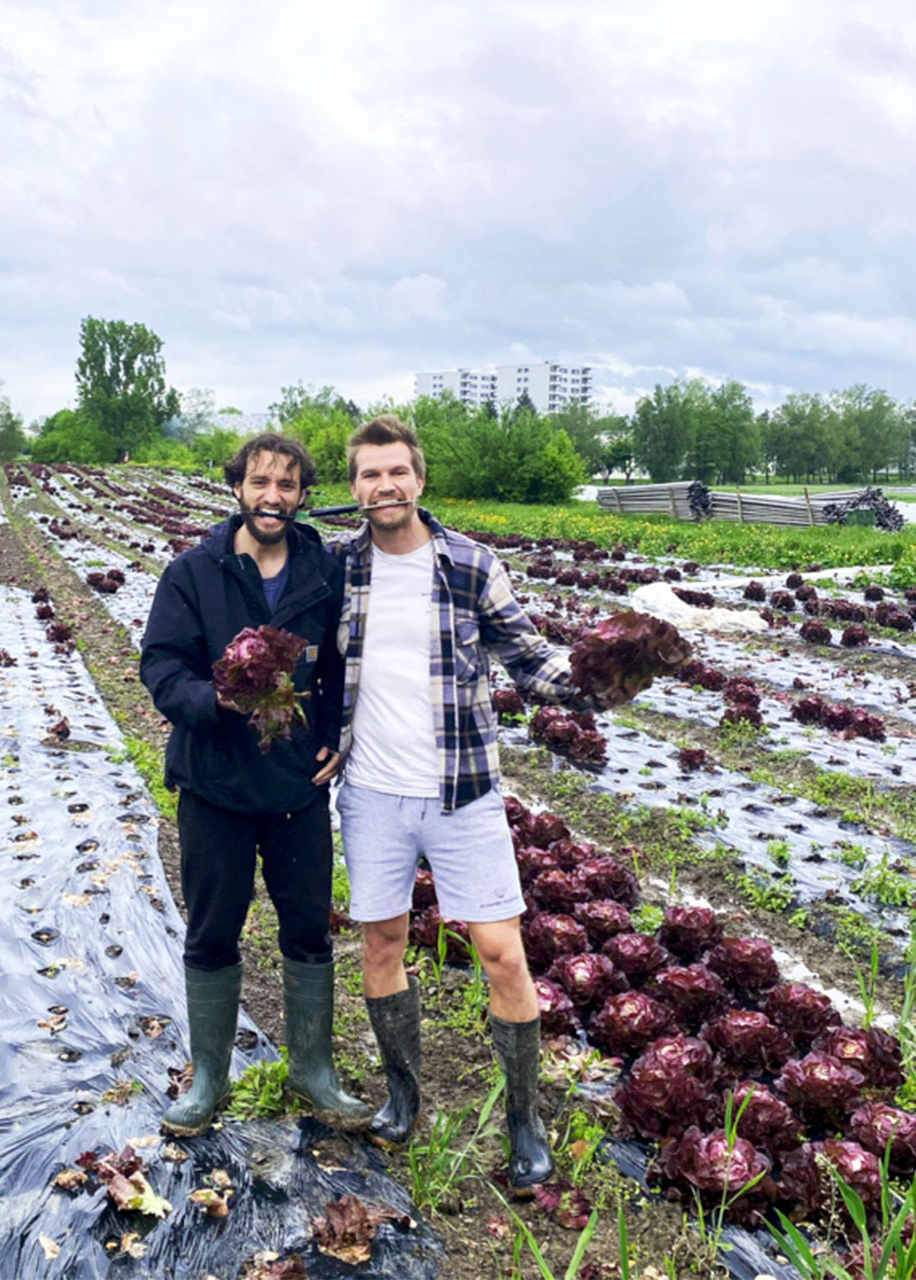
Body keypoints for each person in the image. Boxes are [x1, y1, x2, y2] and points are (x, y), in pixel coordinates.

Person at [333, 414, 598, 1189]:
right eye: (370, 474)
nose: (385, 485)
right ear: (354, 488)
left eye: (397, 471)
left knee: (501, 952)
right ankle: (402, 1097)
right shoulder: (339, 565)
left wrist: (603, 681)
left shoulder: (472, 565)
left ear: (420, 480)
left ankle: (524, 1119)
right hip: (371, 793)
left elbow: (529, 659)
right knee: (382, 944)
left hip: (464, 791)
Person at [139, 432, 371, 1137]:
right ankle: (208, 1076)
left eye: (287, 485)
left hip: (297, 783)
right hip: (214, 779)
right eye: (260, 482)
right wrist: (212, 700)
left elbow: (339, 666)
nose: (273, 496)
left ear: (302, 497)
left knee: (308, 926)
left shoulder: (323, 572)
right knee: (213, 929)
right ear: (237, 488)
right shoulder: (195, 572)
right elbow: (161, 665)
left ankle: (313, 1070)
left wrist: (330, 731)